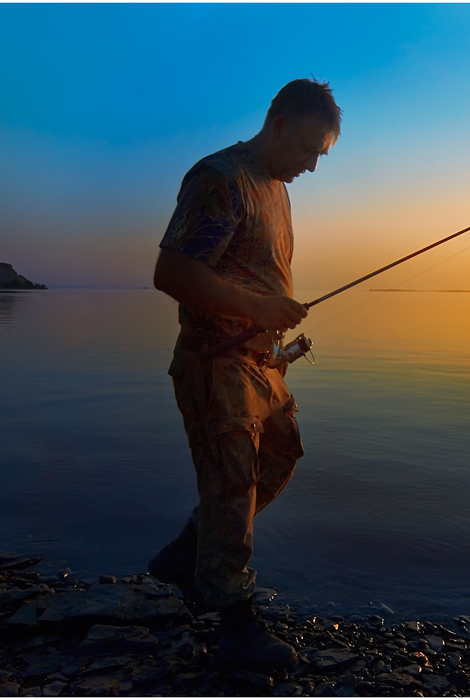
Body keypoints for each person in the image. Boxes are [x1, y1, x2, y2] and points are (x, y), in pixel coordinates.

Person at [149, 79, 341, 672]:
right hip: (216, 361)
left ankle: (189, 556)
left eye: (321, 157)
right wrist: (258, 309)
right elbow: (172, 272)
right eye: (308, 149)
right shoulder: (220, 179)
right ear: (278, 123)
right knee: (233, 486)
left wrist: (272, 316)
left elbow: (252, 272)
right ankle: (232, 622)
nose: (311, 166)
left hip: (261, 364)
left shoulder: (277, 190)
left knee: (280, 457)